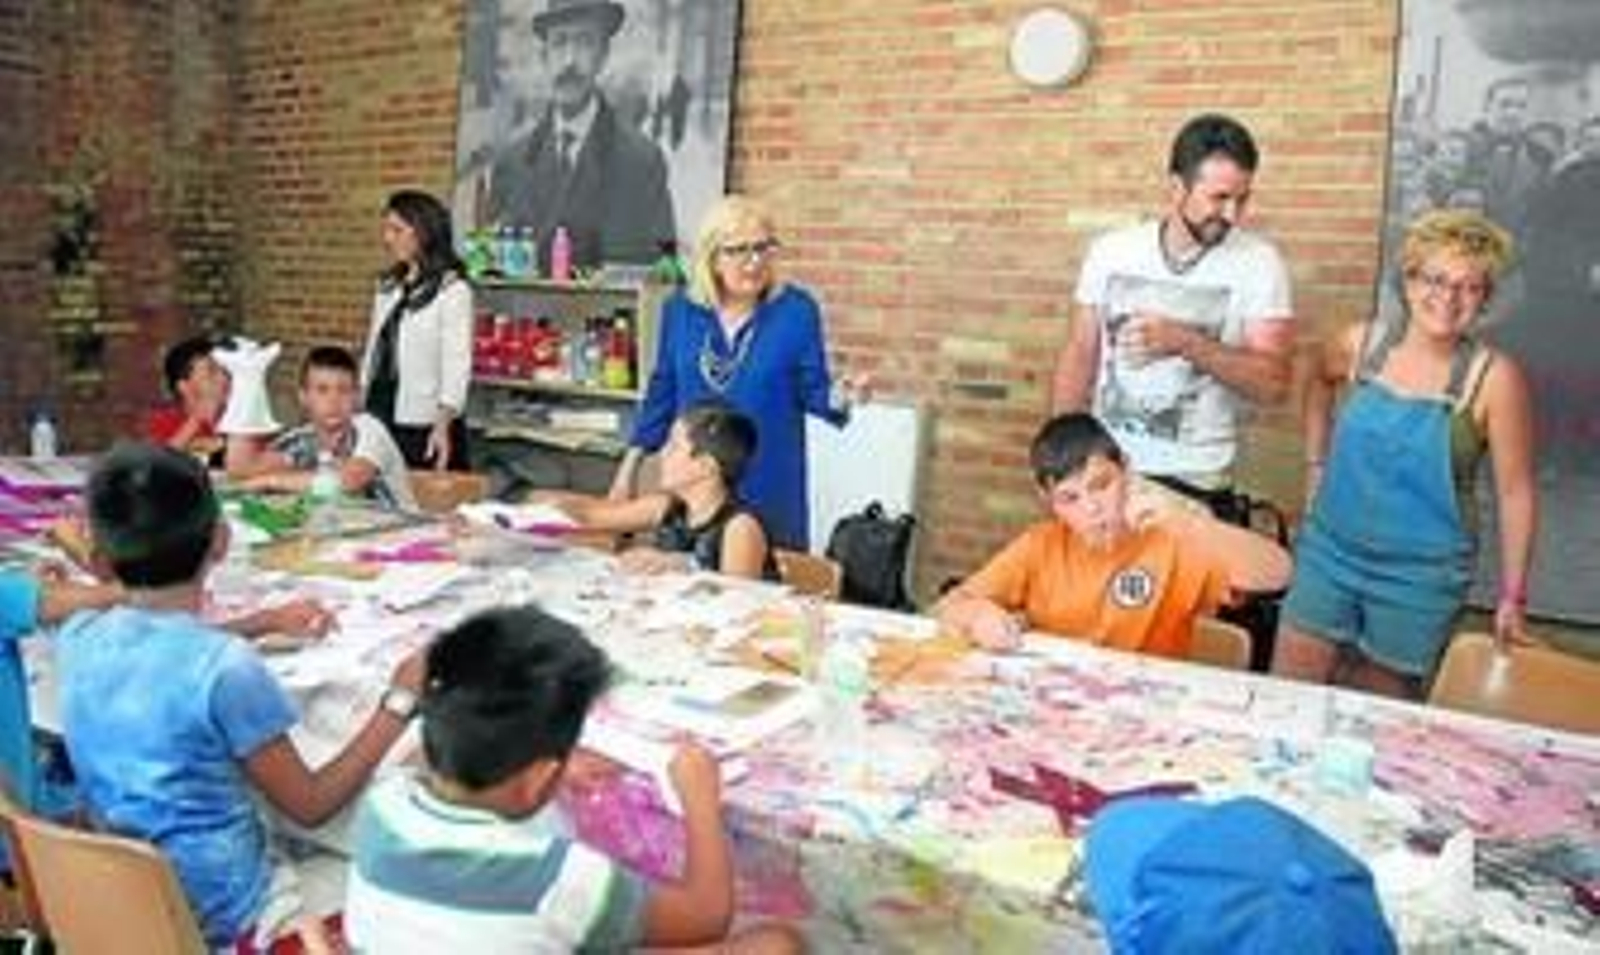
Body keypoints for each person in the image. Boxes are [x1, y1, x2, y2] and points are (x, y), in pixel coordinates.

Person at [53, 443, 428, 951]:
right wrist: (400, 700)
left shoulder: (77, 634)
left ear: (97, 560)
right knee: (405, 885)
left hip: (121, 904)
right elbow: (310, 804)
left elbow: (158, 643)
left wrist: (262, 622)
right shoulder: (226, 668)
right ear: (222, 541)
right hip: (227, 915)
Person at [344, 606, 799, 953]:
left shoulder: (381, 805)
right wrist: (700, 796)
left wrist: (550, 770)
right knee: (777, 944)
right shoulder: (558, 876)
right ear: (537, 779)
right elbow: (705, 917)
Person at [1274, 210, 1537, 699]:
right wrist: (1316, 466)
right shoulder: (1360, 346)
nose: (1448, 298)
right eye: (1435, 279)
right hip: (1329, 550)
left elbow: (1515, 492)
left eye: (1469, 286)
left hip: (1420, 575)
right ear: (1409, 280)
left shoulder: (1495, 379)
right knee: (1288, 698)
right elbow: (1314, 380)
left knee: (1376, 718)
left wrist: (1512, 597)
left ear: (1485, 299)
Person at [1053, 114, 1294, 499]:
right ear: (1177, 187)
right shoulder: (1112, 251)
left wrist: (1187, 343)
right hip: (1104, 468)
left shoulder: (1260, 263)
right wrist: (1059, 460)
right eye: (1219, 198)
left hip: (1196, 478)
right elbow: (1081, 351)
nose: (1232, 214)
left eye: (1242, 199)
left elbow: (1274, 385)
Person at [614, 194, 863, 550]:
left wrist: (843, 394)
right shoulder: (681, 311)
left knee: (761, 591)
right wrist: (628, 472)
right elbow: (662, 392)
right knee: (684, 588)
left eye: (763, 248)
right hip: (695, 486)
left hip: (769, 480)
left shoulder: (796, 310)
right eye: (738, 250)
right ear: (712, 257)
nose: (754, 262)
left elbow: (814, 390)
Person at [937, 413, 1291, 658]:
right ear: (1049, 502)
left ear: (1126, 470)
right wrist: (978, 616)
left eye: (1101, 485)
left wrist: (1187, 522)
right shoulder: (1040, 545)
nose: (1091, 508)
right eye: (1070, 499)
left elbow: (1279, 573)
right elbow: (950, 605)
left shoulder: (1169, 538)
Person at [485, 0, 676, 270]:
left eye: (584, 43)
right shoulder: (512, 162)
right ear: (544, 57)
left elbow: (662, 268)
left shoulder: (641, 160)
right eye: (560, 43)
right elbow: (492, 265)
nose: (569, 61)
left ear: (603, 55)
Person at [539, 403, 777, 580]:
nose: (662, 455)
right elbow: (593, 517)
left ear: (705, 466)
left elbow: (737, 608)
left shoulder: (740, 527)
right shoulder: (667, 506)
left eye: (673, 446)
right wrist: (538, 510)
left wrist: (683, 565)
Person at [361, 190, 473, 471]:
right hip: (380, 409)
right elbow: (374, 348)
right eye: (386, 229)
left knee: (421, 502)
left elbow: (457, 363)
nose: (388, 239)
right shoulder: (388, 286)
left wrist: (443, 422)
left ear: (424, 231)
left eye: (397, 230)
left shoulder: (452, 290)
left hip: (424, 421)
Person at [227, 346, 417, 511]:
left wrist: (271, 481)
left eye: (344, 390)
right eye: (322, 390)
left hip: (406, 542)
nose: (333, 400)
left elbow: (348, 481)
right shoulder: (302, 439)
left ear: (357, 396)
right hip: (345, 539)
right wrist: (248, 379)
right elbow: (242, 470)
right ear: (303, 397)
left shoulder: (370, 428)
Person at [145, 333, 231, 465]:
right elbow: (160, 463)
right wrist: (196, 420)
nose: (224, 379)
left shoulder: (237, 418)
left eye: (226, 371)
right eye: (211, 373)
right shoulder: (165, 421)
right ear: (184, 386)